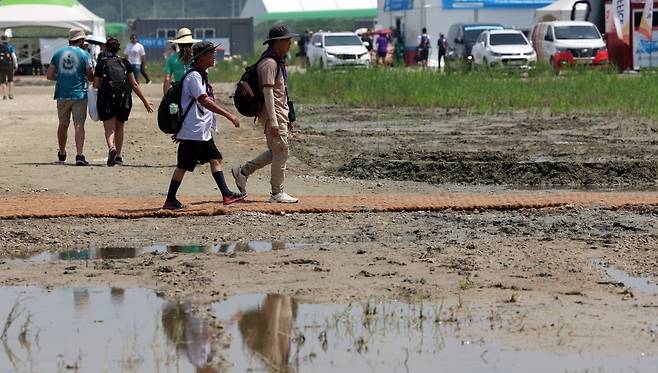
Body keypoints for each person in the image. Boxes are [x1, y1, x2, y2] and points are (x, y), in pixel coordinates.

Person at [162, 41, 246, 210]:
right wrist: (228, 115)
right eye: (210, 53)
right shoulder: (194, 76)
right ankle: (170, 200)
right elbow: (204, 101)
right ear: (201, 57)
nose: (214, 56)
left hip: (201, 130)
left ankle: (226, 195)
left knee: (215, 158)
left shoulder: (201, 74)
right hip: (194, 131)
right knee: (182, 166)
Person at [231, 24, 299, 204]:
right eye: (287, 40)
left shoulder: (276, 61)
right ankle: (277, 193)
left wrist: (288, 117)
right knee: (281, 151)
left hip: (279, 113)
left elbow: (281, 92)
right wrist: (275, 121)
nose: (290, 43)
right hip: (273, 114)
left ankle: (243, 172)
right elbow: (268, 93)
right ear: (277, 42)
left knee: (276, 150)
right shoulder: (269, 63)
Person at [93, 37, 154, 167]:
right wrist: (145, 101)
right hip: (123, 99)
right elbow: (134, 84)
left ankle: (111, 148)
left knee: (109, 129)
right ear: (118, 49)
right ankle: (119, 156)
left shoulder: (101, 64)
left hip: (107, 99)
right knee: (120, 127)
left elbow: (96, 84)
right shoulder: (125, 63)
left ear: (106, 48)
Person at [46, 28, 94, 166]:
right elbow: (90, 76)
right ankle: (79, 155)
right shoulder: (85, 55)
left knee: (63, 124)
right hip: (79, 93)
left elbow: (49, 75)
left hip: (62, 93)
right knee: (79, 124)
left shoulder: (58, 53)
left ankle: (62, 152)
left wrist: (62, 78)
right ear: (81, 40)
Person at [163, 28, 199, 96]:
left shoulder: (171, 59)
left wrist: (166, 97)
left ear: (178, 44)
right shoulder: (197, 58)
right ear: (191, 43)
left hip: (179, 92)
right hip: (196, 91)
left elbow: (167, 79)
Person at [0, 34, 18, 100]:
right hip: (9, 65)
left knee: (2, 81)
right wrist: (16, 65)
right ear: (7, 40)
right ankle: (10, 94)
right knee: (10, 80)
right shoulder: (10, 47)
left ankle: (4, 95)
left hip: (1, 66)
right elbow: (14, 57)